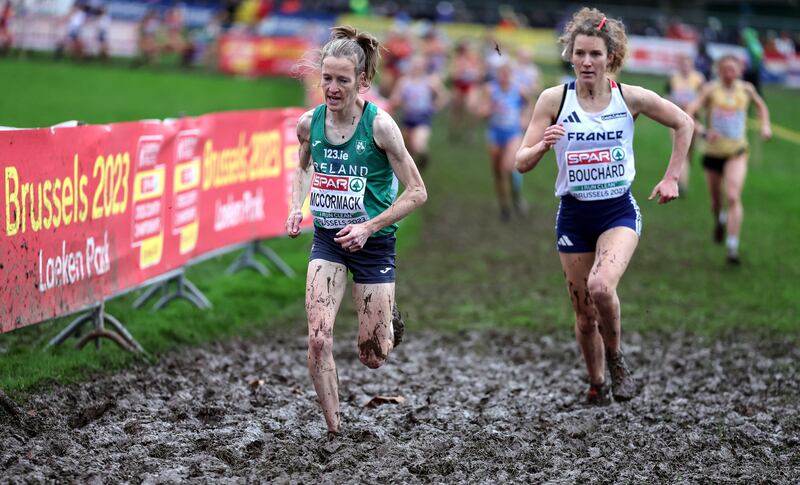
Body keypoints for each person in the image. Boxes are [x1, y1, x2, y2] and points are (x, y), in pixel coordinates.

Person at [515, 7, 693, 404]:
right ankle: (596, 382)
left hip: (617, 211)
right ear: (571, 55)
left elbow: (684, 123)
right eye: (579, 53)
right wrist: (543, 143)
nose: (586, 62)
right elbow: (520, 162)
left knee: (600, 285)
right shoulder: (554, 99)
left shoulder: (629, 97)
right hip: (574, 215)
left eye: (595, 54)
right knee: (583, 316)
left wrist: (671, 177)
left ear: (610, 57)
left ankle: (616, 359)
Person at [286, 26, 427, 434]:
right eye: (326, 78)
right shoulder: (308, 124)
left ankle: (388, 320)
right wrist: (297, 206)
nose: (331, 88)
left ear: (362, 81)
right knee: (318, 339)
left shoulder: (381, 127)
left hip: (374, 245)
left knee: (372, 356)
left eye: (342, 80)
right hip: (328, 241)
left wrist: (369, 226)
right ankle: (334, 429)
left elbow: (417, 192)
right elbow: (303, 165)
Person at [685, 55, 771, 264]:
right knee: (715, 202)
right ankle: (719, 219)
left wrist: (765, 125)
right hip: (713, 153)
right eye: (726, 69)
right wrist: (704, 131)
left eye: (734, 69)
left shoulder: (747, 89)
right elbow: (690, 112)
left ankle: (732, 247)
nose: (730, 73)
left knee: (733, 196)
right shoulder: (711, 90)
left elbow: (761, 106)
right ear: (719, 70)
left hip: (737, 151)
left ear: (739, 70)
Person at [472, 59, 529, 221]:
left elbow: (529, 105)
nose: (503, 77)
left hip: (513, 134)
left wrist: (524, 118)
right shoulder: (490, 90)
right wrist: (487, 110)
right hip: (495, 134)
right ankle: (504, 205)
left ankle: (517, 197)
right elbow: (480, 111)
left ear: (511, 75)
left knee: (508, 167)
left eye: (507, 74)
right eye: (501, 74)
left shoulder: (519, 90)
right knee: (497, 172)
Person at [389, 54, 449, 171]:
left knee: (418, 145)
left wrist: (435, 107)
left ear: (423, 67)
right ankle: (409, 170)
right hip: (407, 117)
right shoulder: (404, 82)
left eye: (419, 66)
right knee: (406, 149)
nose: (417, 68)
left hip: (423, 117)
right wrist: (397, 102)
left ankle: (422, 160)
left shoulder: (430, 81)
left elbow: (444, 96)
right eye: (414, 65)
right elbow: (395, 98)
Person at [667, 53, 706, 193]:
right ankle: (681, 183)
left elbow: (704, 98)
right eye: (682, 64)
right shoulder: (673, 79)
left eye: (688, 64)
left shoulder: (698, 79)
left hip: (693, 119)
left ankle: (683, 178)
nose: (685, 67)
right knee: (680, 149)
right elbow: (667, 96)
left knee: (689, 151)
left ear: (692, 65)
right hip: (676, 119)